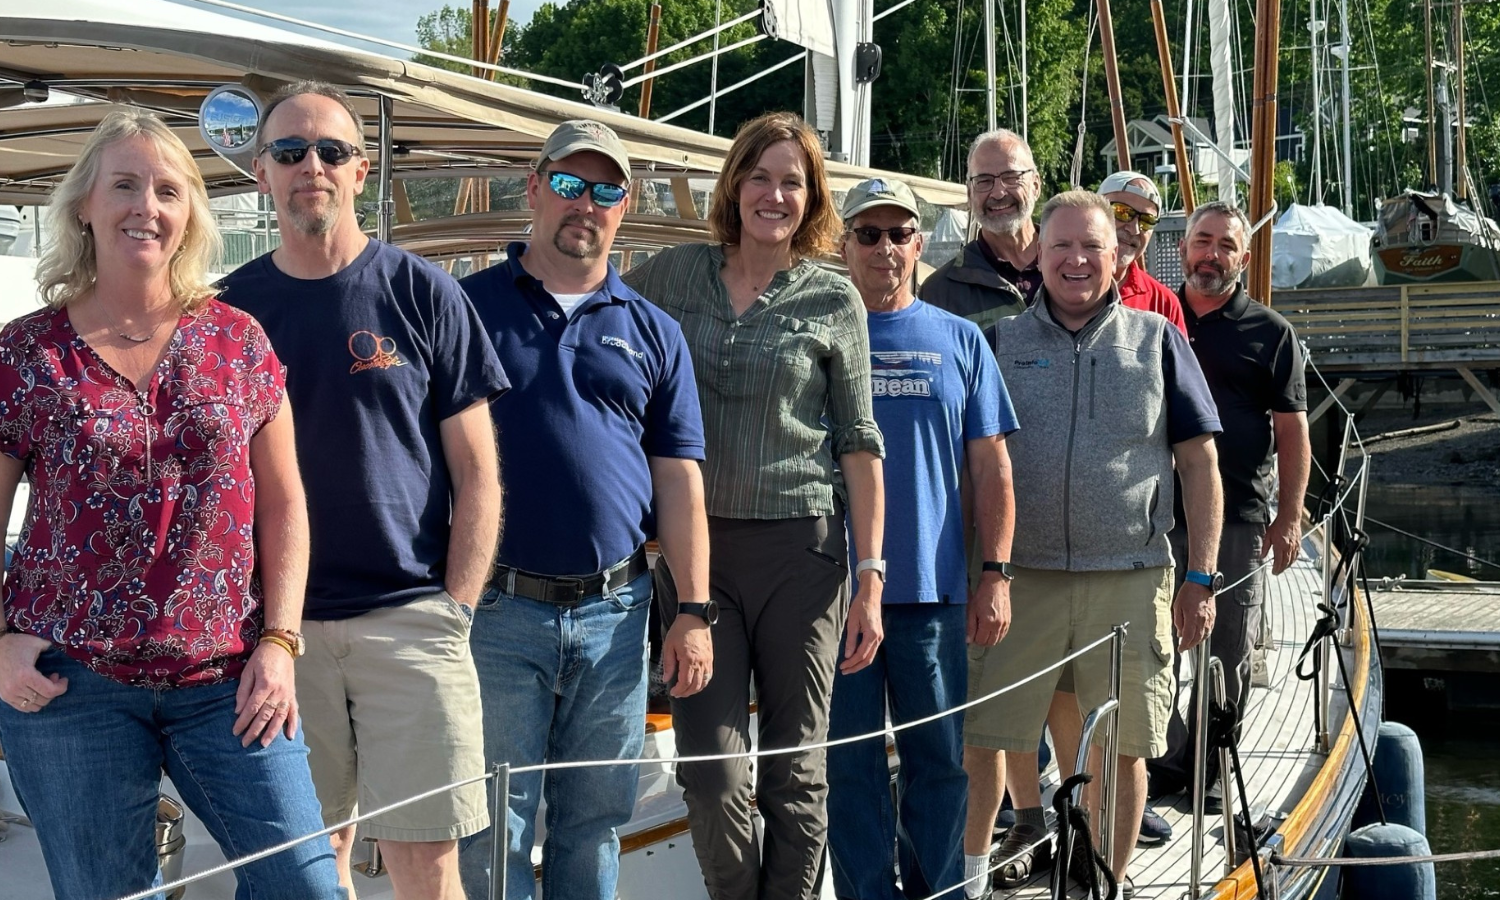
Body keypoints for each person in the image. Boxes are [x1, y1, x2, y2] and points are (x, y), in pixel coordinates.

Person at [0, 109, 343, 900]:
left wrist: (282, 644)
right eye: (123, 185)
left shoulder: (239, 341)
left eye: (166, 190)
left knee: (306, 886)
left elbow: (284, 506)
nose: (144, 207)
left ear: (191, 213)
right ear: (84, 203)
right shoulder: (25, 354)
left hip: (228, 679)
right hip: (66, 683)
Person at [221, 81, 508, 900]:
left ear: (362, 169)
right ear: (261, 174)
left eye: (331, 150)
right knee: (312, 866)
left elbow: (478, 471)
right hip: (280, 638)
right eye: (289, 151)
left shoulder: (424, 293)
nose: (311, 165)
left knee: (428, 867)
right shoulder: (230, 312)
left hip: (412, 621)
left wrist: (454, 607)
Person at [623, 111, 886, 900]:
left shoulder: (835, 299)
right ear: (734, 185)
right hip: (696, 558)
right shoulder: (670, 277)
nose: (775, 194)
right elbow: (590, 309)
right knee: (712, 776)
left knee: (795, 775)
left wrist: (869, 576)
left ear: (812, 201)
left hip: (803, 557)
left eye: (793, 182)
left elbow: (860, 444)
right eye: (761, 176)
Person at [454, 120, 713, 900]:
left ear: (623, 207)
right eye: (569, 184)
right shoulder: (463, 310)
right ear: (534, 189)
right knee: (492, 821)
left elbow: (680, 480)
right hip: (496, 611)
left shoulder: (654, 331)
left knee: (595, 819)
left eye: (606, 191)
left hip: (616, 613)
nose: (585, 205)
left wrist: (693, 609)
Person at [964, 191, 1223, 898]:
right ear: (1037, 257)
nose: (1076, 260)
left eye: (1092, 248)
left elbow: (1200, 465)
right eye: (1061, 247)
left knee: (1126, 744)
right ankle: (988, 860)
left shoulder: (1157, 339)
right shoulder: (997, 344)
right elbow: (973, 466)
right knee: (992, 730)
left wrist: (1201, 576)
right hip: (1020, 576)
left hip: (1132, 577)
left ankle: (1106, 877)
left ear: (1118, 257)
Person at [825, 177, 1017, 900]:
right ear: (843, 245)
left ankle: (938, 892)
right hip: (835, 598)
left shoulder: (961, 339)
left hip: (933, 593)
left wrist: (994, 573)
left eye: (898, 233)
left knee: (938, 762)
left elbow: (992, 467)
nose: (884, 247)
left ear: (921, 243)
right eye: (867, 234)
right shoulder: (819, 333)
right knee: (849, 767)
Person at [1148, 201, 1311, 799]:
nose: (1210, 255)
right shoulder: (1157, 319)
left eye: (1225, 246)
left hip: (1238, 510)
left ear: (1243, 258)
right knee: (1155, 640)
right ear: (1184, 247)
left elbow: (1293, 432)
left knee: (1227, 645)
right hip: (1159, 509)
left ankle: (1211, 765)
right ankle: (1166, 756)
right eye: (1201, 241)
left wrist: (1289, 517)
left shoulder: (1271, 333)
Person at [920, 129, 1044, 331]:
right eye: (984, 181)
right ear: (969, 194)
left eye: (1011, 177)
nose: (998, 192)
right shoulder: (940, 292)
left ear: (1036, 185)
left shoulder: (1075, 268)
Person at [1099, 171, 1188, 335]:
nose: (1133, 229)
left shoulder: (1163, 303)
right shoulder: (1062, 284)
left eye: (1147, 221)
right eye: (1121, 211)